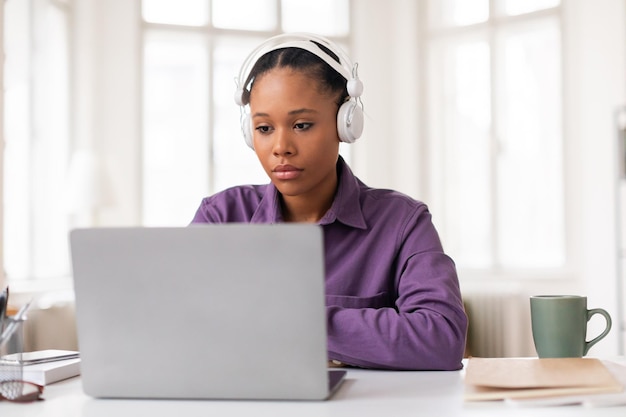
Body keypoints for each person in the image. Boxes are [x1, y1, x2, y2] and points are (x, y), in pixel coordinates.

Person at [191, 33, 467, 371]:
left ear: (346, 123)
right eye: (264, 128)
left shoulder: (402, 222)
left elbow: (441, 339)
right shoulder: (221, 218)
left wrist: (293, 320)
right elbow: (179, 326)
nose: (281, 147)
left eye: (302, 125)